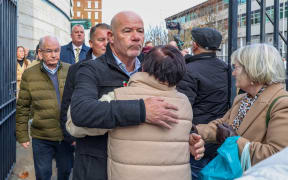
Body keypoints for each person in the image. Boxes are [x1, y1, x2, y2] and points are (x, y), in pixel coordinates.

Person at [70, 11, 204, 180]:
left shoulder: (153, 65)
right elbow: (80, 112)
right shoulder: (89, 70)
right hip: (98, 168)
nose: (136, 37)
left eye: (140, 31)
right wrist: (141, 110)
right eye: (127, 31)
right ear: (111, 36)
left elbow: (169, 104)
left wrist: (186, 138)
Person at [191, 43, 288, 168]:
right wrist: (194, 131)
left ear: (252, 69)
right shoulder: (243, 99)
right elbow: (222, 126)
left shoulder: (282, 104)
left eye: (236, 68)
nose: (233, 73)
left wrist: (234, 141)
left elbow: (277, 155)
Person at [16, 36, 74, 180]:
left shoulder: (70, 70)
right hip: (41, 137)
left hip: (65, 135)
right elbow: (23, 106)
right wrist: (22, 135)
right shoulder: (30, 74)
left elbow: (78, 102)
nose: (54, 55)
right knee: (43, 175)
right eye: (49, 51)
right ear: (40, 53)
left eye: (56, 50)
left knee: (66, 171)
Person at [177, 27, 229, 179]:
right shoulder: (226, 68)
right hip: (220, 137)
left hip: (196, 140)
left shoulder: (189, 70)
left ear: (195, 45)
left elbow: (183, 108)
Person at [60, 23, 111, 145]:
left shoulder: (122, 68)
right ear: (91, 43)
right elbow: (67, 103)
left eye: (109, 40)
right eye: (101, 40)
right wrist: (69, 135)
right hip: (85, 138)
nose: (106, 44)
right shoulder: (77, 69)